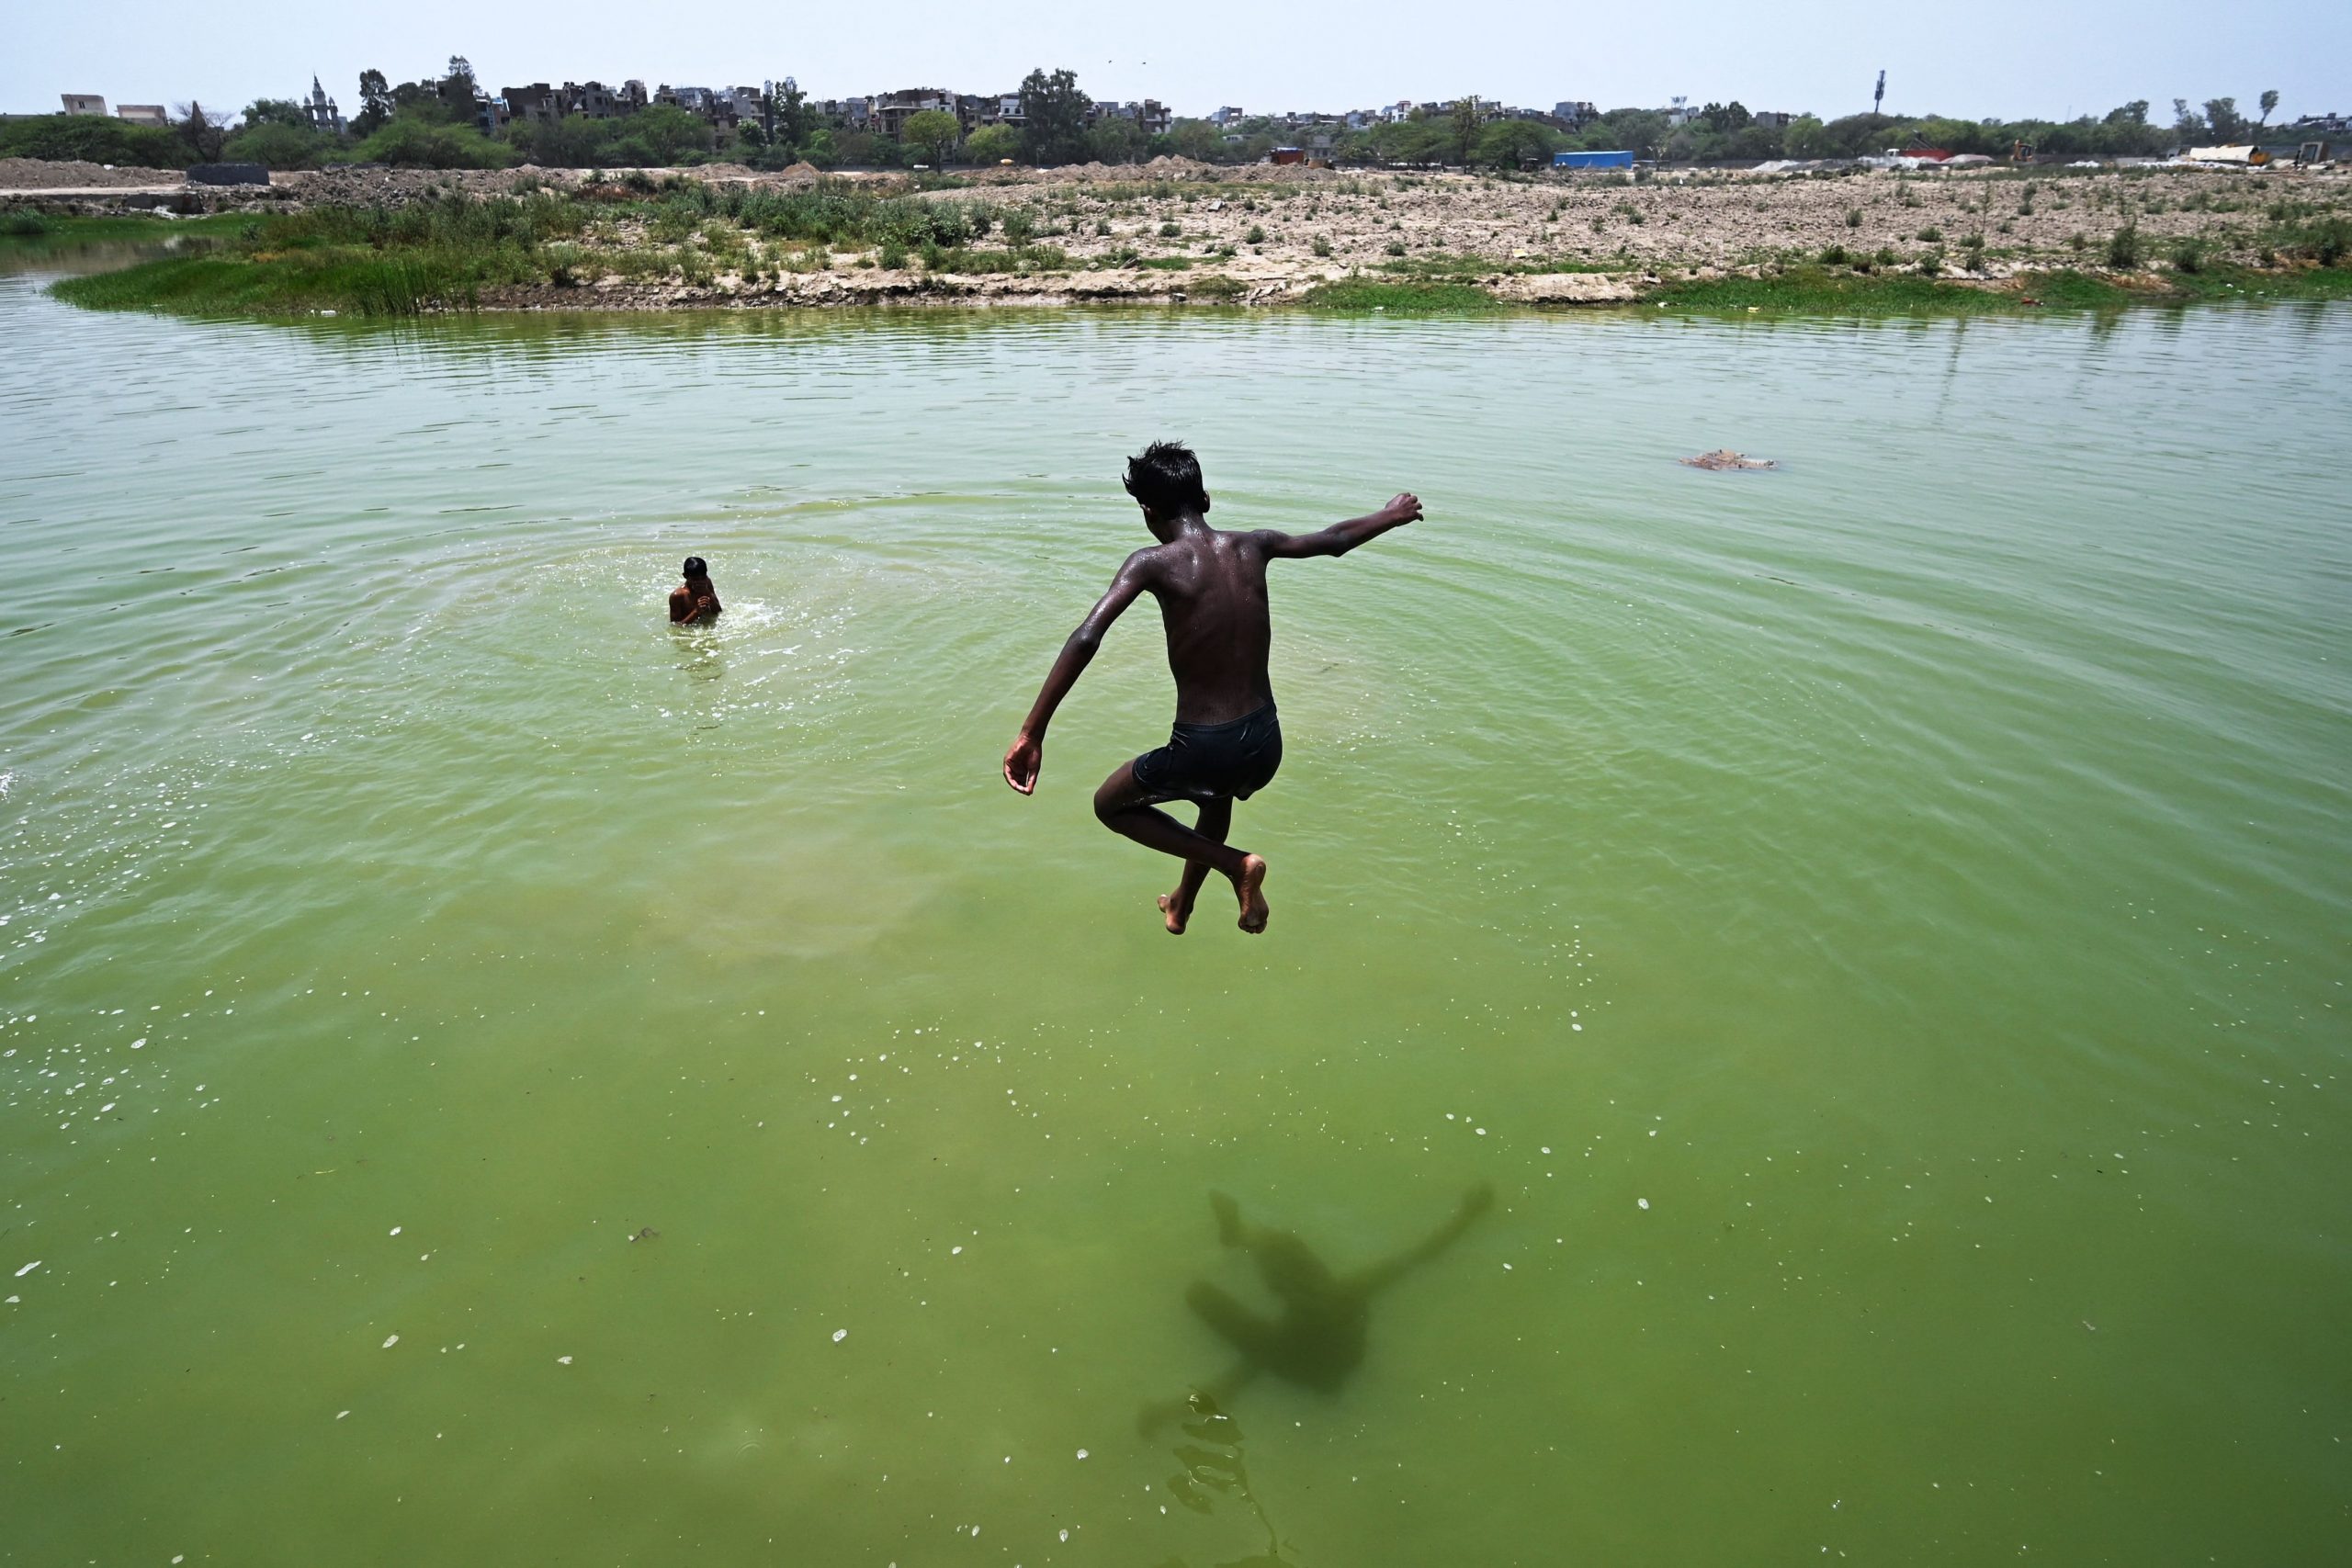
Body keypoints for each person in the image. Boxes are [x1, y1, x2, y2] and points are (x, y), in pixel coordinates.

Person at [1001, 441, 1422, 935]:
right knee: (1213, 799)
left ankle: (1235, 865)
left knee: (1109, 805)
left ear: (1147, 510)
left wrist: (1032, 732)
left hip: (1205, 748)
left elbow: (1087, 636)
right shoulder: (1254, 545)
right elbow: (1333, 540)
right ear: (1206, 500)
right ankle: (1182, 905)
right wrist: (1390, 515)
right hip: (1265, 743)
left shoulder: (1150, 562)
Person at [669, 557, 721, 624]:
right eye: (695, 579)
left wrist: (707, 592)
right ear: (685, 576)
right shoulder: (677, 596)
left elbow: (718, 611)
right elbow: (676, 626)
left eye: (703, 577)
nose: (700, 582)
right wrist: (696, 611)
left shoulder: (707, 582)